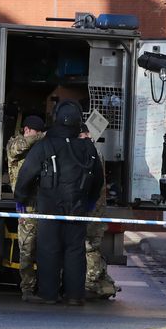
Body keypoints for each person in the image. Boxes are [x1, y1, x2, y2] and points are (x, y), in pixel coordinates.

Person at [14, 100, 103, 306]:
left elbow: (27, 173)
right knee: (75, 250)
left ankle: (48, 294)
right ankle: (74, 295)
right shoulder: (88, 148)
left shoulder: (46, 145)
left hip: (50, 206)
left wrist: (20, 197)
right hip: (78, 207)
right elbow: (98, 179)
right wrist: (89, 201)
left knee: (49, 249)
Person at [5, 115, 46, 301]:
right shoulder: (15, 144)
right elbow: (23, 144)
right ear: (27, 130)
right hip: (26, 206)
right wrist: (45, 135)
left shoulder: (39, 148)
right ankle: (27, 289)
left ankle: (44, 287)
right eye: (34, 132)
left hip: (43, 205)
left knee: (44, 249)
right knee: (27, 249)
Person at [79, 125, 119, 300]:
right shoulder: (95, 151)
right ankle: (99, 281)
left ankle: (91, 283)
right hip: (95, 208)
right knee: (92, 246)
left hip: (92, 210)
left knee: (90, 247)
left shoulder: (90, 152)